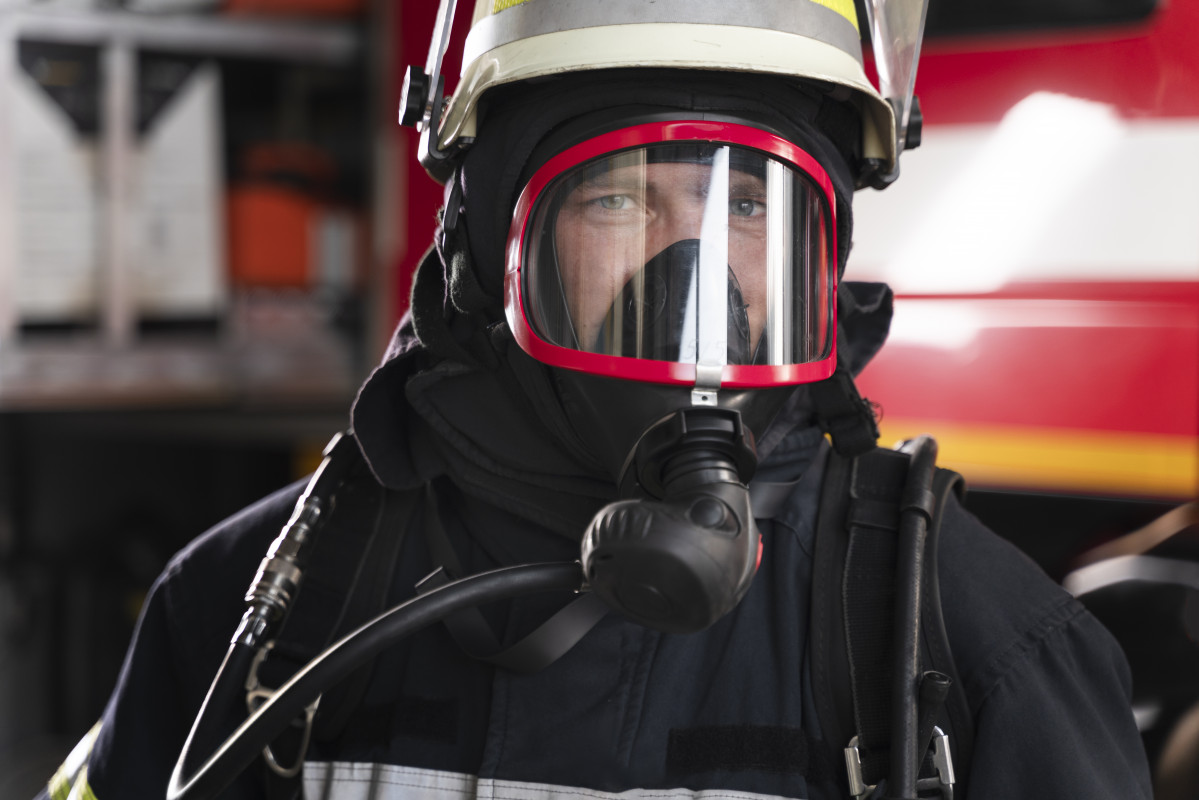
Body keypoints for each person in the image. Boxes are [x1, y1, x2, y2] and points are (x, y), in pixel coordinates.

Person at [40, 1, 1155, 798]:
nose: (693, 268)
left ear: (824, 251)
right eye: (619, 196)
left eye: (747, 208)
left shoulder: (977, 654)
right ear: (491, 249)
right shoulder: (263, 604)